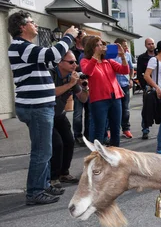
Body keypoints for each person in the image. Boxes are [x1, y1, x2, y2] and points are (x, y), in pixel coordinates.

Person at [8, 11, 78, 204]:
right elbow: (54, 54)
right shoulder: (20, 46)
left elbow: (50, 60)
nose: (36, 25)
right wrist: (68, 36)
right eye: (32, 22)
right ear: (22, 27)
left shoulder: (26, 47)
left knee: (45, 149)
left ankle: (44, 184)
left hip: (39, 105)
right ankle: (35, 192)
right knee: (42, 151)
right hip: (36, 106)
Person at [80, 36, 129, 147]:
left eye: (101, 44)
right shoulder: (85, 61)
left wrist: (122, 57)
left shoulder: (108, 61)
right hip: (99, 100)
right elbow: (88, 72)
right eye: (97, 45)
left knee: (115, 129)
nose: (100, 47)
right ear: (91, 48)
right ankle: (97, 156)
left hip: (115, 97)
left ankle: (114, 155)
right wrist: (95, 57)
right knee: (100, 130)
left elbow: (125, 70)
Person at [49, 51, 89, 187]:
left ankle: (64, 173)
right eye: (71, 62)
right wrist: (70, 84)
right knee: (57, 144)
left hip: (59, 114)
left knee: (69, 142)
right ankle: (53, 177)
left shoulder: (72, 78)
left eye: (75, 62)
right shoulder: (51, 74)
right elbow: (51, 92)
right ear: (60, 62)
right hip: (46, 115)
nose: (75, 65)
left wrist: (85, 87)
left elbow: (83, 99)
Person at [113, 38, 134, 139]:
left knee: (125, 109)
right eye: (124, 45)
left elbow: (131, 68)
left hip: (125, 84)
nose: (126, 47)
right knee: (113, 109)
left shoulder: (128, 55)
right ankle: (109, 129)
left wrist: (131, 79)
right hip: (114, 85)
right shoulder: (111, 56)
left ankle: (126, 129)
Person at [136, 38, 156, 139]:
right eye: (149, 44)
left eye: (152, 43)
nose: (151, 45)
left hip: (159, 86)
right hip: (148, 87)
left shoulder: (159, 55)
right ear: (145, 45)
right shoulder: (142, 58)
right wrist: (144, 86)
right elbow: (140, 74)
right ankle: (145, 129)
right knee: (146, 109)